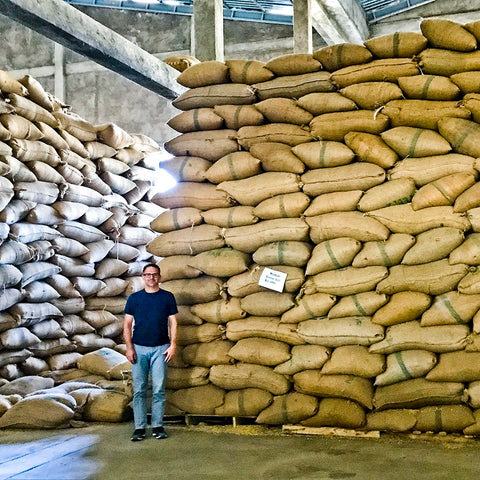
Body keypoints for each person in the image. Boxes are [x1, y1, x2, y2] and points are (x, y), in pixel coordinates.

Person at [123, 263, 178, 442]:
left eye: (154, 275)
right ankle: (139, 427)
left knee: (159, 389)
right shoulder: (134, 299)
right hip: (139, 348)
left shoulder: (167, 297)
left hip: (161, 349)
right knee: (139, 389)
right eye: (148, 275)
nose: (151, 278)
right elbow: (127, 325)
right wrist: (129, 347)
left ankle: (157, 425)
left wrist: (173, 344)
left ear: (159, 277)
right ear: (143, 277)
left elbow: (173, 322)